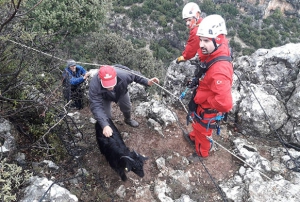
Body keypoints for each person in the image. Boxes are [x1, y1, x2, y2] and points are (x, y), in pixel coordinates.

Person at [187, 14, 233, 159]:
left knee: (203, 132)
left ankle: (201, 153)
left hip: (208, 108)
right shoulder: (217, 48)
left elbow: (225, 104)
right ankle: (194, 137)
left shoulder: (219, 71)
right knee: (197, 124)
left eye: (206, 40)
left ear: (218, 39)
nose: (201, 45)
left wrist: (207, 102)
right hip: (203, 99)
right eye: (201, 40)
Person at [89, 64, 159, 137]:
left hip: (121, 92)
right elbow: (96, 105)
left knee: (126, 107)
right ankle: (109, 128)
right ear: (100, 79)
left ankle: (128, 119)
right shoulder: (94, 85)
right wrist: (104, 125)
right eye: (107, 84)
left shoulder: (124, 74)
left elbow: (135, 75)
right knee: (106, 115)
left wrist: (147, 82)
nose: (111, 87)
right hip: (104, 97)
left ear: (115, 76)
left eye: (112, 83)